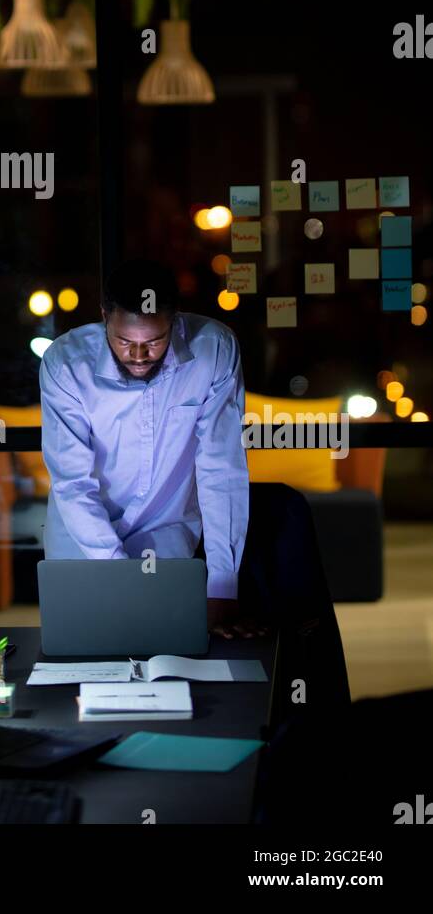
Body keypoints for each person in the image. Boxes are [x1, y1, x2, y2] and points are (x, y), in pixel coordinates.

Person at [39, 258, 351, 714]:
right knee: (88, 679)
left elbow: (221, 468)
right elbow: (73, 483)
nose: (139, 356)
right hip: (82, 543)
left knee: (172, 681)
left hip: (168, 536)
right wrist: (123, 583)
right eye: (125, 341)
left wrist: (221, 586)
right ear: (104, 316)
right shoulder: (65, 363)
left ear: (176, 321)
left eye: (155, 342)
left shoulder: (214, 350)